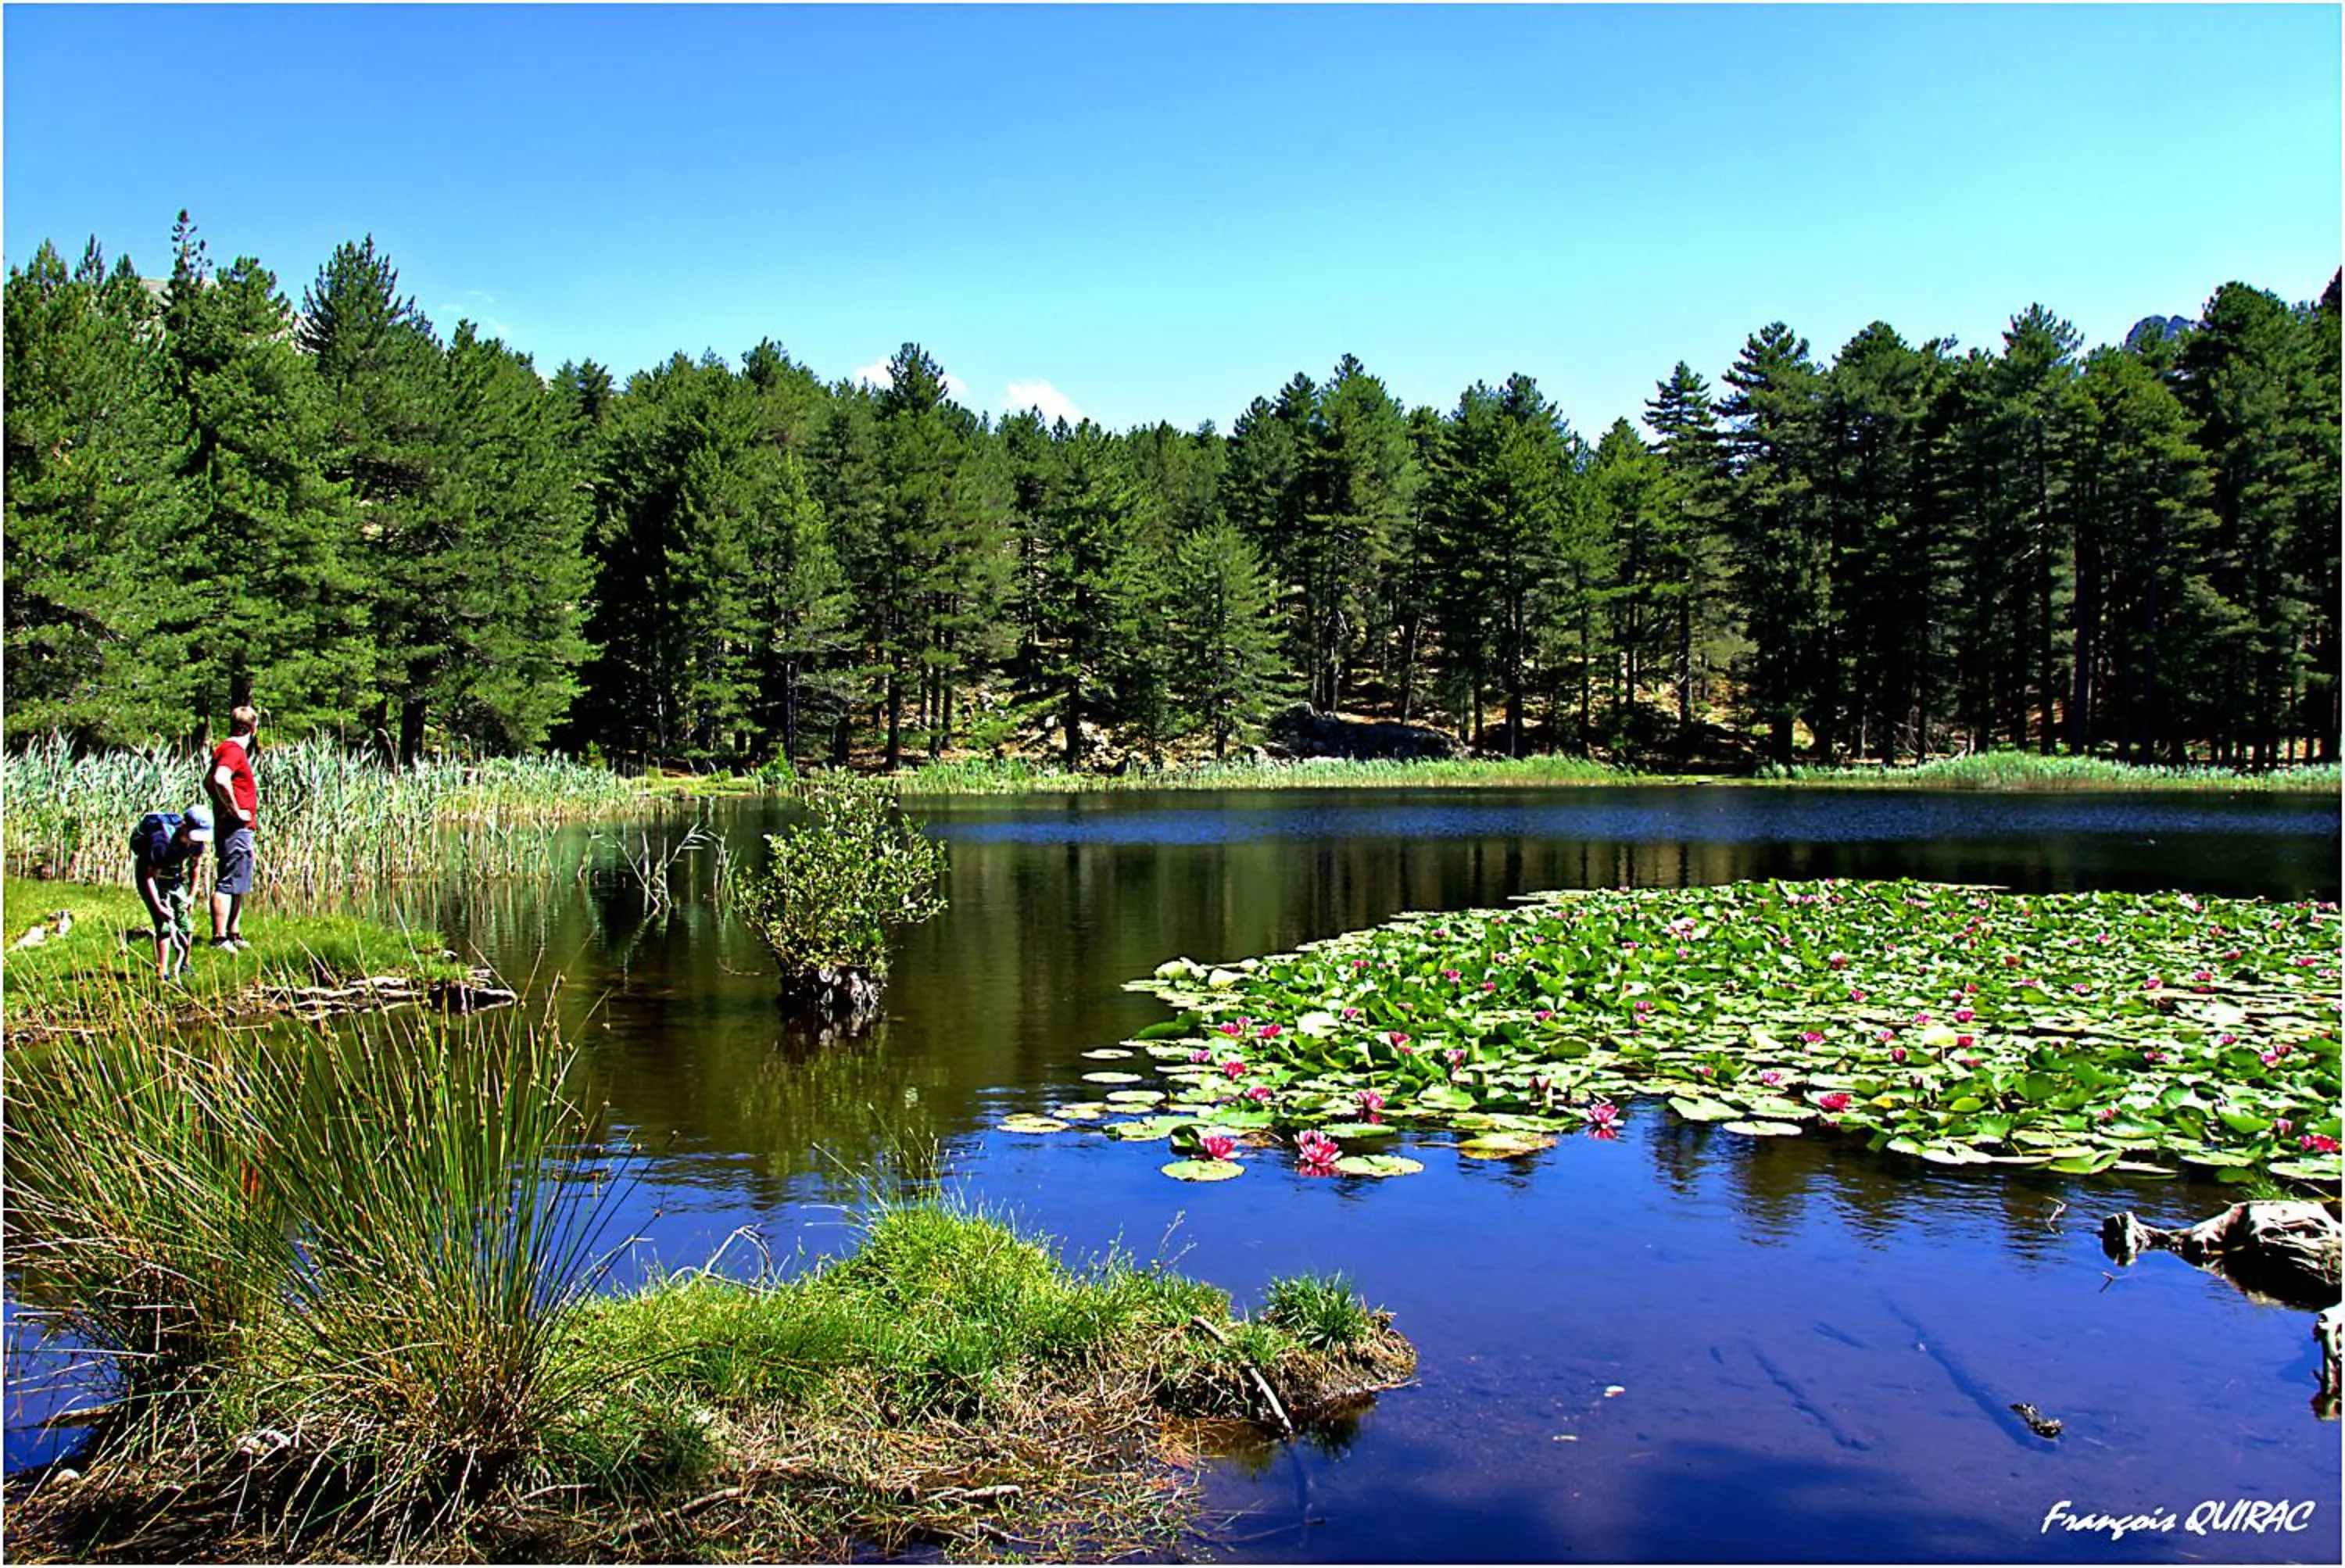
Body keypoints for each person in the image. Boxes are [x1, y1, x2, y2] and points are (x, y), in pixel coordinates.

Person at [132, 805, 213, 978]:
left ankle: (185, 964)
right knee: (164, 925)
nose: (196, 842)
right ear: (184, 826)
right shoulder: (162, 842)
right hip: (150, 876)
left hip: (174, 877)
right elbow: (149, 877)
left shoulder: (197, 843)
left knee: (185, 925)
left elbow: (195, 867)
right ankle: (162, 971)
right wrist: (159, 907)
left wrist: (191, 896)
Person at [206, 705, 260, 950]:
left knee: (240, 879)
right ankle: (219, 939)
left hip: (235, 826)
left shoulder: (225, 749)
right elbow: (219, 779)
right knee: (228, 882)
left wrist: (221, 805)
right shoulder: (233, 750)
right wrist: (234, 810)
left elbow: (208, 782)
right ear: (252, 728)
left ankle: (234, 933)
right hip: (235, 827)